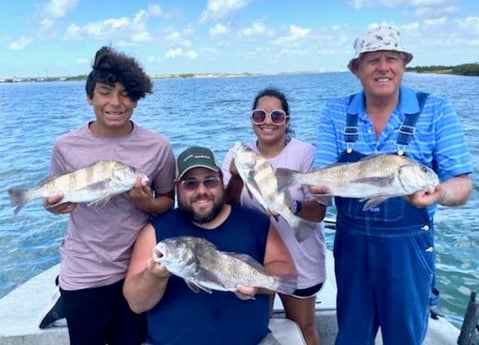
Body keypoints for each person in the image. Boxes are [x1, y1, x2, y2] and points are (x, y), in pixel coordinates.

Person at [313, 25, 473, 345]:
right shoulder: (334, 111)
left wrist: (438, 193)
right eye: (372, 60)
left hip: (408, 253)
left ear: (403, 65)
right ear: (357, 69)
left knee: (405, 338)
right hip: (352, 251)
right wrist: (312, 193)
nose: (383, 66)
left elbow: (462, 183)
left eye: (391, 58)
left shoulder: (436, 110)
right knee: (352, 337)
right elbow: (323, 175)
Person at [42, 46, 176, 344]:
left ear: (137, 99)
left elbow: (167, 201)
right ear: (90, 97)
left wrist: (146, 203)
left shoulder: (158, 147)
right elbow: (54, 196)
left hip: (138, 270)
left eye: (126, 94)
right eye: (105, 92)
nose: (115, 102)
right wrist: (52, 207)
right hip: (84, 270)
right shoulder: (65, 146)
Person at [123, 146, 297, 345]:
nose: (202, 191)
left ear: (221, 181)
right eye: (190, 184)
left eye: (210, 181)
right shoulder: (156, 232)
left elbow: (287, 277)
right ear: (176, 186)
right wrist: (154, 276)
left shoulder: (255, 222)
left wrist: (255, 284)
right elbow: (136, 303)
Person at [222, 88, 327, 345]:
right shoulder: (236, 156)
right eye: (260, 115)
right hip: (255, 259)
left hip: (302, 257)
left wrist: (291, 208)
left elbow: (319, 210)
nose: (267, 121)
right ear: (251, 120)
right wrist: (236, 177)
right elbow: (227, 206)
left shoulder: (305, 154)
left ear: (287, 121)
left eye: (276, 116)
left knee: (304, 327)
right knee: (258, 328)